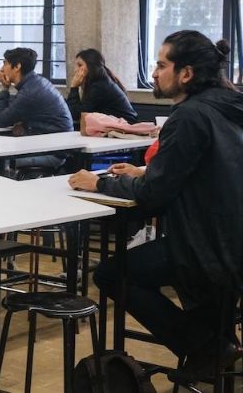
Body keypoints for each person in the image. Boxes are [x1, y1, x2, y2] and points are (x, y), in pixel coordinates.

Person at [69, 31, 243, 382]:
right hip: (232, 241)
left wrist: (99, 182)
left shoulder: (189, 115)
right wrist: (147, 169)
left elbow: (153, 194)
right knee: (204, 294)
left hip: (206, 248)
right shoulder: (230, 103)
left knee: (110, 273)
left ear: (186, 74)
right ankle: (217, 348)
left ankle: (206, 347)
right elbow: (207, 165)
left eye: (162, 65)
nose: (154, 73)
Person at [0, 47, 73, 172]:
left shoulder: (29, 92)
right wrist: (24, 124)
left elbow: (0, 120)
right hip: (49, 145)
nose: (2, 69)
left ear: (17, 66)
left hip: (53, 153)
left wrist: (4, 89)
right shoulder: (35, 83)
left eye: (5, 63)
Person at [65, 48, 138, 124]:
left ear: (91, 66)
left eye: (80, 65)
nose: (75, 70)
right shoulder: (100, 83)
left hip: (125, 127)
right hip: (117, 126)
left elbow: (76, 115)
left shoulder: (99, 86)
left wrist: (74, 87)